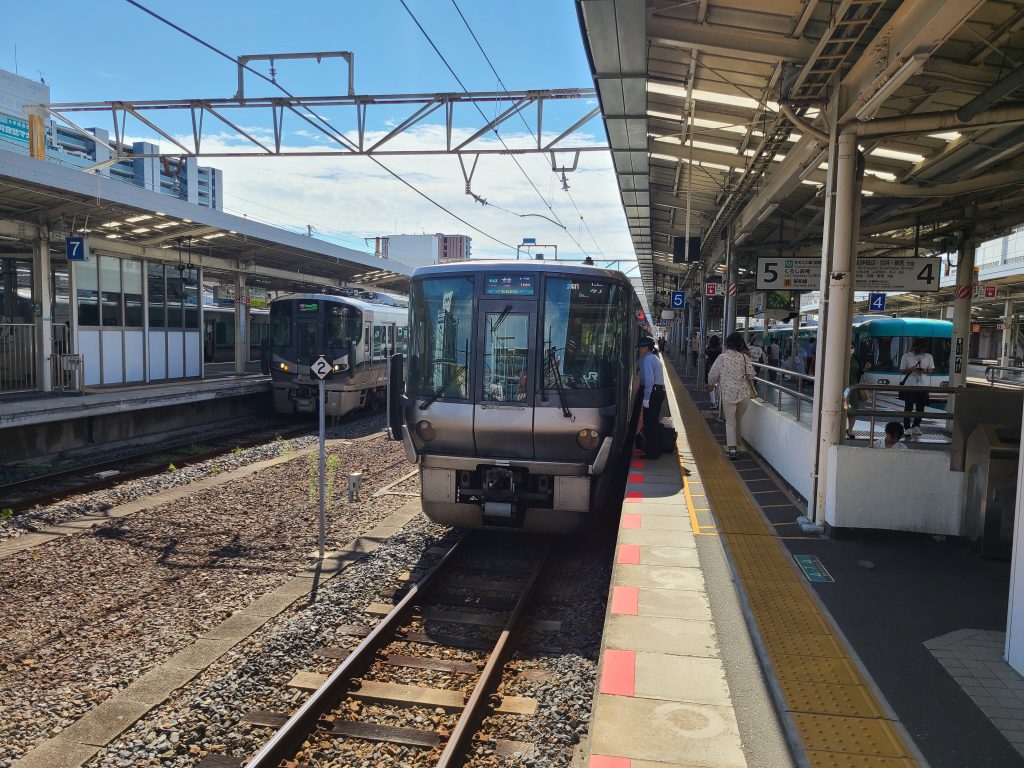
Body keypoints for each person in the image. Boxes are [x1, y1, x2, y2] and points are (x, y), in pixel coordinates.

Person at [707, 332, 757, 461]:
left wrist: (711, 384)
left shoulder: (722, 358)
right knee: (738, 419)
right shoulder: (745, 358)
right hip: (744, 393)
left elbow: (712, 374)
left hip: (728, 394)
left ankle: (732, 449)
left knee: (730, 422)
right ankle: (738, 442)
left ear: (726, 344)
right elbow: (751, 374)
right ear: (740, 344)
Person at [636, 336, 666, 460]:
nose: (639, 349)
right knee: (653, 421)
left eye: (641, 347)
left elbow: (649, 379)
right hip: (658, 391)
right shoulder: (654, 357)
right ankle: (656, 449)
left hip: (653, 391)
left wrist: (647, 397)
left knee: (649, 423)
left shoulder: (647, 359)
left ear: (646, 348)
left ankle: (652, 452)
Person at [899, 338, 935, 436]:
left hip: (923, 386)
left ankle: (916, 426)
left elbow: (931, 370)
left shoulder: (928, 357)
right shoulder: (906, 356)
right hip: (909, 386)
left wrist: (922, 370)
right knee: (908, 407)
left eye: (922, 348)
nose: (920, 350)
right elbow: (901, 370)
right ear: (914, 347)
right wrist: (911, 369)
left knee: (920, 408)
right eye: (918, 347)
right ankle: (906, 427)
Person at [846, 343, 871, 439]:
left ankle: (850, 430)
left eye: (852, 347)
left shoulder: (856, 358)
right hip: (841, 386)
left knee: (853, 409)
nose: (851, 349)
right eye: (849, 347)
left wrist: (864, 369)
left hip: (854, 386)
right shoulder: (840, 356)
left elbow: (859, 371)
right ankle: (840, 428)